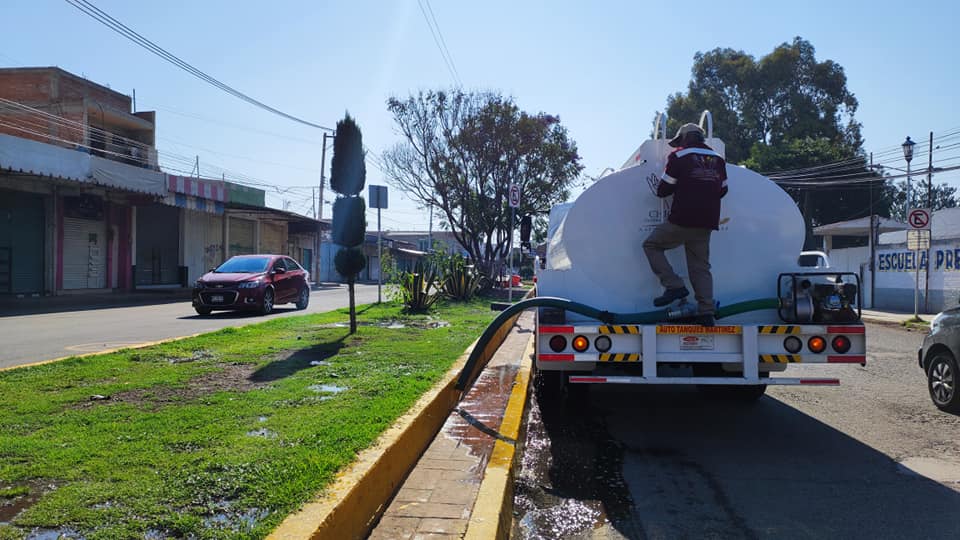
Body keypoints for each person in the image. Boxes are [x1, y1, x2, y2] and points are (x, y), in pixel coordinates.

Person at [643, 123, 727, 326]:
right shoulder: (717, 159)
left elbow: (663, 190)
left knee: (651, 245)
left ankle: (674, 286)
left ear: (686, 139)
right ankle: (706, 312)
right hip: (707, 222)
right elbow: (723, 190)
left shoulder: (679, 157)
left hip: (682, 219)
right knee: (700, 267)